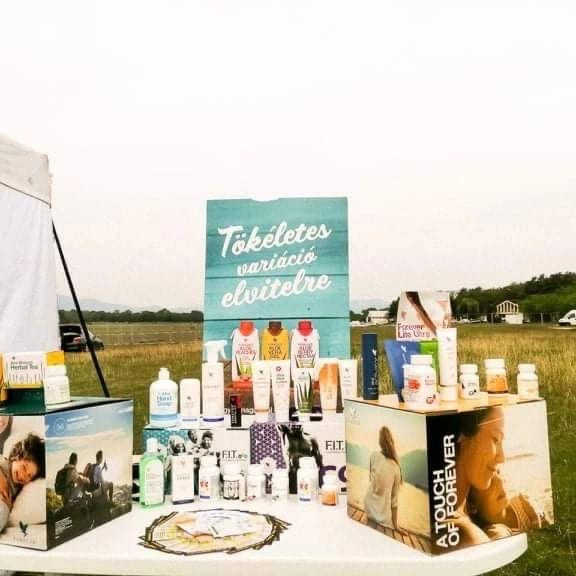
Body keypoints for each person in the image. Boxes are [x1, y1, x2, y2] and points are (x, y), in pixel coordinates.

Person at [451, 406, 506, 546]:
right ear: (463, 435)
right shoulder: (466, 535)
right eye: (496, 439)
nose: (502, 458)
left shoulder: (467, 513)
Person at [0, 433, 45, 533]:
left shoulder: (17, 490)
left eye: (29, 476)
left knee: (3, 510)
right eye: (24, 467)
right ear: (17, 456)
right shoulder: (4, 463)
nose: (23, 476)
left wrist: (9, 507)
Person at [363, 426, 402, 531]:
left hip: (368, 508)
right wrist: (396, 525)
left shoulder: (373, 455)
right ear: (392, 442)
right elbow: (394, 501)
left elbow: (371, 480)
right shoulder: (396, 467)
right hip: (383, 518)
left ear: (380, 442)